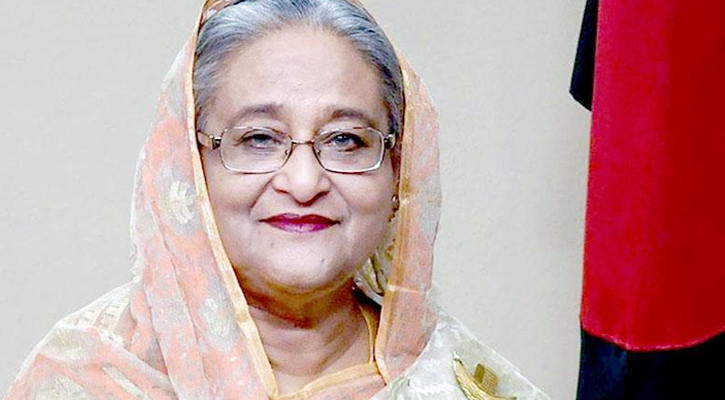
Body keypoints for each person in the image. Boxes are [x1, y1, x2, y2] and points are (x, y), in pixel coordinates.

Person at [3, 0, 550, 399]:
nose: (304, 182)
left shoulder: (458, 381)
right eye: (259, 139)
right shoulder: (89, 376)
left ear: (398, 176)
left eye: (345, 140)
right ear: (189, 171)